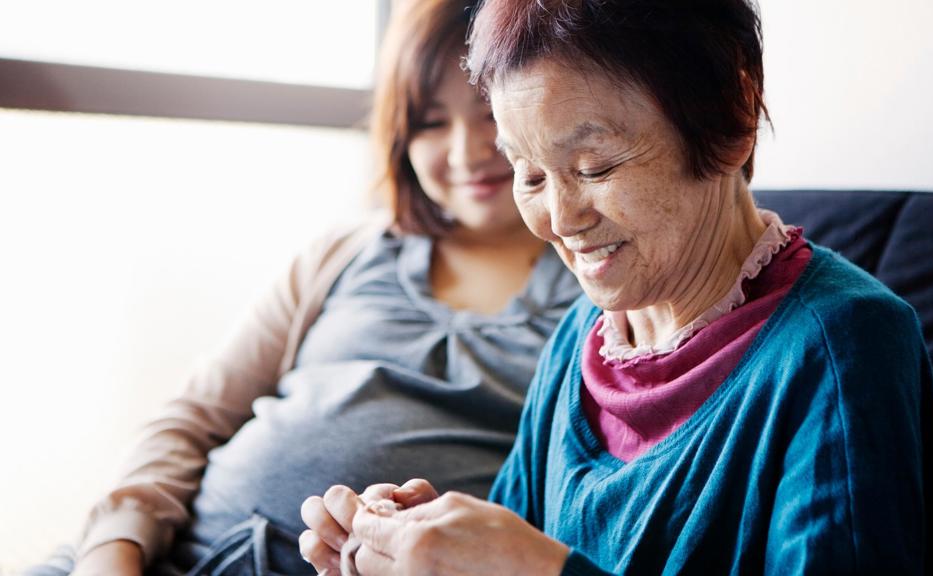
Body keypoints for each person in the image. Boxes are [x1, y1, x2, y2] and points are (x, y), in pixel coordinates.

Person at [300, 0, 933, 574]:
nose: (558, 218)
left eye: (594, 166)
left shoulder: (844, 346)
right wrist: (420, 548)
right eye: (527, 174)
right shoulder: (583, 341)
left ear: (732, 117)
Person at [39, 1, 580, 574]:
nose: (465, 150)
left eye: (488, 113)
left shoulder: (600, 300)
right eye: (429, 121)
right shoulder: (348, 252)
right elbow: (193, 420)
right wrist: (111, 553)